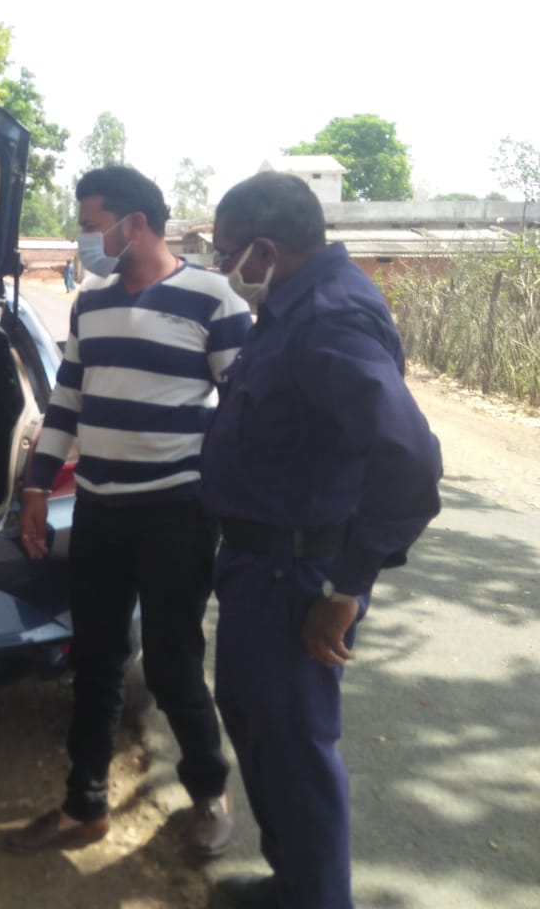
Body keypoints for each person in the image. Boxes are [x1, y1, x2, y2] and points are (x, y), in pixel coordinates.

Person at [201, 172, 442, 909]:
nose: (221, 268)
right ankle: (293, 885)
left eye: (225, 253)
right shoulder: (290, 307)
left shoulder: (329, 318)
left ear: (265, 250)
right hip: (258, 568)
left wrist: (346, 591)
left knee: (296, 755)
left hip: (296, 579)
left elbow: (408, 460)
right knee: (258, 733)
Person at [7, 165, 252, 858]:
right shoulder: (92, 302)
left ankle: (209, 793)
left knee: (173, 665)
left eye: (90, 226)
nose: (84, 241)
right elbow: (68, 401)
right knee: (95, 661)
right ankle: (84, 806)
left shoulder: (214, 299)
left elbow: (243, 412)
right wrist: (36, 485)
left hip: (177, 514)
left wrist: (232, 508)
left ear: (133, 224)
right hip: (99, 513)